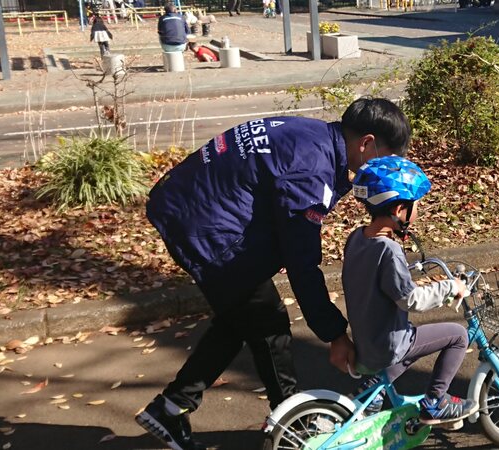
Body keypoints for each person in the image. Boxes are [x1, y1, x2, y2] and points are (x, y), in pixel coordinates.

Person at [135, 98, 411, 450]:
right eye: (385, 157)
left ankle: (171, 407)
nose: (384, 167)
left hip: (187, 202)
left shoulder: (314, 135)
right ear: (366, 143)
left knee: (241, 315)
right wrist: (334, 333)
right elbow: (302, 262)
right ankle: (296, 428)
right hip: (202, 225)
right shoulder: (311, 170)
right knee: (267, 322)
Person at [342, 156, 479, 425]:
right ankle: (436, 402)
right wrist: (452, 286)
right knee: (458, 335)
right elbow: (410, 299)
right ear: (400, 209)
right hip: (387, 344)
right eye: (416, 206)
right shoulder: (390, 250)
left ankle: (374, 389)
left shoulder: (357, 237)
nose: (418, 211)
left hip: (366, 339)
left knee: (410, 339)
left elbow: (378, 279)